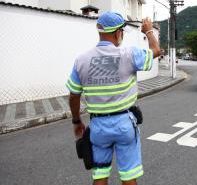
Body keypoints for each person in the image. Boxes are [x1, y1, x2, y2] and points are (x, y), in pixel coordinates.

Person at [66, 12, 161, 185]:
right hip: (124, 125)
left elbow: (73, 95)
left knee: (100, 176)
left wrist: (76, 121)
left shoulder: (81, 60)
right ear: (118, 33)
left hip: (98, 128)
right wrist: (148, 31)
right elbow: (156, 51)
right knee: (128, 176)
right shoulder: (129, 54)